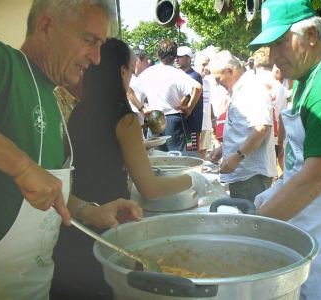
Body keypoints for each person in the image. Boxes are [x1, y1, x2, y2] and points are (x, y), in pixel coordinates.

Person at [0, 1, 143, 299]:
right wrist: (21, 166)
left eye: (100, 45)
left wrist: (90, 211)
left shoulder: (50, 96)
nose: (97, 58)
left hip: (35, 286)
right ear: (46, 27)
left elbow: (42, 194)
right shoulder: (2, 63)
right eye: (88, 40)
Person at [52, 38, 211, 299]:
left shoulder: (80, 111)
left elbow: (95, 157)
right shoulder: (124, 118)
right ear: (122, 71)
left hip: (75, 222)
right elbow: (150, 188)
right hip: (108, 225)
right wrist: (193, 180)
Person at [249, 0, 321, 298]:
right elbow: (297, 162)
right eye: (270, 46)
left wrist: (251, 231)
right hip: (308, 234)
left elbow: (316, 178)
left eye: (280, 43)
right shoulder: (304, 81)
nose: (273, 56)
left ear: (311, 36)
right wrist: (275, 191)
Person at [208, 50, 277, 201]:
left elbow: (262, 127)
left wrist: (237, 156)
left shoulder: (251, 88)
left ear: (230, 70)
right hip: (244, 173)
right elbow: (243, 128)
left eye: (218, 78)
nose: (217, 83)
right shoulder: (242, 88)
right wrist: (224, 148)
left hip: (251, 174)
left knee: (249, 219)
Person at [129, 39, 202, 152]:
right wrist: (189, 108)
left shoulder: (148, 72)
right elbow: (197, 87)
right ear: (174, 57)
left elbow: (128, 89)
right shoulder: (176, 73)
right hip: (173, 119)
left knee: (157, 158)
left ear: (158, 55)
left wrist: (142, 108)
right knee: (180, 159)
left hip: (154, 119)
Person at [253, 46, 288, 176]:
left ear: (255, 63)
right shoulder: (279, 86)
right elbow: (282, 117)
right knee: (268, 176)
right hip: (272, 138)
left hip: (251, 137)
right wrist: (280, 141)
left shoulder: (250, 82)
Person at [175, 46, 204, 152]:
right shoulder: (177, 75)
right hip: (179, 123)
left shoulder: (195, 76)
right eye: (175, 57)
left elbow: (185, 98)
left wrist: (173, 107)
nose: (176, 59)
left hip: (191, 124)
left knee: (191, 155)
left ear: (189, 58)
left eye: (180, 57)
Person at [193, 52, 216, 160]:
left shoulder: (207, 83)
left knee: (203, 153)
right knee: (192, 153)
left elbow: (209, 103)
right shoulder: (190, 80)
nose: (206, 68)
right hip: (193, 126)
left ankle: (200, 174)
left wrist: (213, 120)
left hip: (206, 126)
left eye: (208, 65)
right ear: (196, 65)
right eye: (203, 64)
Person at [127, 48, 151, 127]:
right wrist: (142, 109)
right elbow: (129, 93)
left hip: (139, 123)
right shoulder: (129, 78)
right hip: (131, 122)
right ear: (138, 61)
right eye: (146, 60)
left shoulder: (139, 79)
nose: (148, 64)